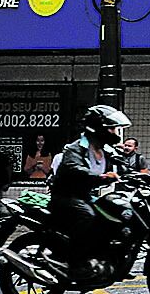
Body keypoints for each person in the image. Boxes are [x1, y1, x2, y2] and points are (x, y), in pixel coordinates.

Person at [48, 105, 129, 280]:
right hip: (65, 197)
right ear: (98, 128)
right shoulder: (75, 149)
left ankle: (108, 259)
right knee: (88, 216)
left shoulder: (106, 150)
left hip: (85, 196)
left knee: (115, 215)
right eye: (111, 128)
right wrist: (101, 177)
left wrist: (139, 176)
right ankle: (76, 262)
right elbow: (75, 169)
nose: (114, 132)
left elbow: (124, 166)